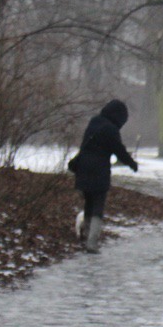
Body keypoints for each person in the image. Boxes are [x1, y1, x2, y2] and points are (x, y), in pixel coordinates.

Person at [68, 99, 138, 253]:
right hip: (99, 171)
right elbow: (119, 151)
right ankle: (92, 243)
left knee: (88, 204)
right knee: (98, 207)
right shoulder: (111, 130)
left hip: (83, 169)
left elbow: (84, 145)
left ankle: (86, 236)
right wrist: (132, 164)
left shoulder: (94, 122)